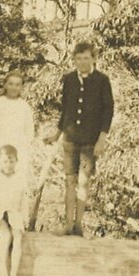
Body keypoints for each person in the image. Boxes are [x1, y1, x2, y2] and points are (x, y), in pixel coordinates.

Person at [45, 41, 113, 237]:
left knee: (84, 182)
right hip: (70, 139)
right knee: (69, 181)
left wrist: (102, 140)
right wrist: (56, 134)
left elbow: (108, 111)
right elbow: (65, 109)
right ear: (74, 60)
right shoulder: (69, 79)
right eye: (78, 58)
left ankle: (79, 225)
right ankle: (67, 225)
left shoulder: (102, 80)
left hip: (90, 141)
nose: (82, 62)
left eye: (86, 58)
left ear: (93, 58)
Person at [0, 71, 35, 177]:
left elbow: (29, 131)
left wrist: (25, 149)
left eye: (17, 85)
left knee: (16, 177)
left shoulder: (24, 107)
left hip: (18, 147)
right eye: (10, 84)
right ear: (5, 85)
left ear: (22, 87)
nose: (13, 87)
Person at [0, 145, 28, 276]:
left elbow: (24, 200)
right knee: (5, 237)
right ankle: (2, 272)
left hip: (15, 213)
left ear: (17, 162)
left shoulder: (20, 179)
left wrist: (25, 217)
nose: (8, 165)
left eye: (11, 161)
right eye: (5, 161)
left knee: (17, 237)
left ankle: (14, 273)